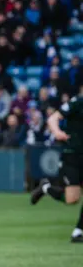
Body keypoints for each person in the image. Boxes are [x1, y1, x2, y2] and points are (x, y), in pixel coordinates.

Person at [30, 96, 83, 243]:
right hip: (72, 155)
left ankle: (78, 232)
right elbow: (53, 118)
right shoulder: (77, 102)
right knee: (72, 199)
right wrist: (57, 132)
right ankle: (46, 187)